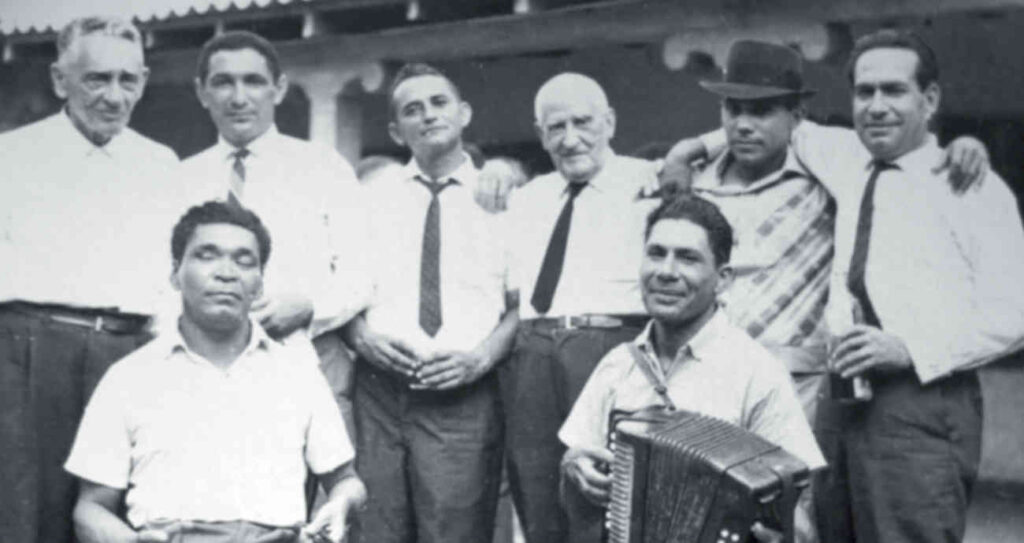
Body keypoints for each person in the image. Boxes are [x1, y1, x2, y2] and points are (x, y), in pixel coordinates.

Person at [65, 201, 366, 543]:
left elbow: (346, 481)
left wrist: (341, 504)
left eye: (244, 260)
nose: (226, 272)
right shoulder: (129, 377)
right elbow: (91, 509)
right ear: (175, 273)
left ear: (260, 284)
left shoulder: (298, 374)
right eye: (207, 255)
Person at [0, 16, 182, 543]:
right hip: (30, 349)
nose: (113, 95)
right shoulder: (12, 156)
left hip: (127, 351)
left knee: (123, 510)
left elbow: (168, 281)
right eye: (96, 79)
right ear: (61, 80)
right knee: (25, 508)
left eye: (128, 80)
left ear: (144, 81)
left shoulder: (160, 164)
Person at [559, 194, 826, 543]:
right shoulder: (616, 365)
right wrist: (571, 468)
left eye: (688, 258)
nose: (666, 272)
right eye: (656, 253)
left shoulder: (758, 373)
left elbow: (800, 521)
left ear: (723, 278)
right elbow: (572, 501)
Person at [341, 63, 518, 543]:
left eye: (439, 103)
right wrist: (362, 338)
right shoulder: (371, 200)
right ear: (397, 131)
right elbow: (343, 294)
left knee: (454, 532)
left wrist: (478, 360)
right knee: (376, 530)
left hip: (462, 394)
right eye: (412, 110)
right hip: (379, 391)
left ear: (464, 113)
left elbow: (522, 306)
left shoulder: (504, 199)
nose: (428, 116)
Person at [499, 72, 661, 543]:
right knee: (537, 490)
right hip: (533, 353)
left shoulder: (645, 181)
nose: (570, 139)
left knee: (608, 492)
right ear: (540, 134)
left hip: (611, 347)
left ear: (609, 122)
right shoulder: (527, 198)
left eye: (583, 122)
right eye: (555, 128)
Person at [181, 30, 366, 438]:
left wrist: (310, 307)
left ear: (278, 89)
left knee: (309, 496)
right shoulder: (181, 178)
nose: (239, 97)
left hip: (307, 356)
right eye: (223, 82)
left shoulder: (322, 167)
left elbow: (361, 271)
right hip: (207, 368)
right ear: (202, 92)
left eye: (253, 81)